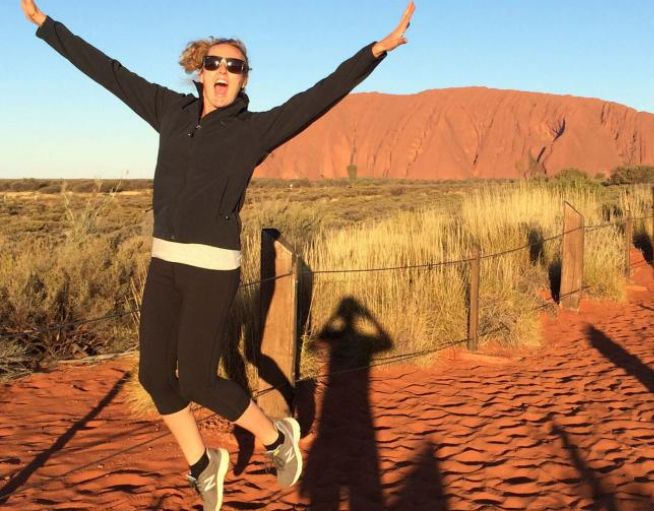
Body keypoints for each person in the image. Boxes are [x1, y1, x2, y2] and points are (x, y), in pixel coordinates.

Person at [19, 1, 415, 510]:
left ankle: (277, 438)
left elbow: (321, 96)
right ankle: (204, 463)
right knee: (156, 377)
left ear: (245, 79)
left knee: (201, 379)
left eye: (234, 65)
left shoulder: (256, 130)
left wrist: (376, 51)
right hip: (165, 262)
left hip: (212, 268)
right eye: (215, 63)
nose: (223, 71)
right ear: (199, 71)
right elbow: (109, 73)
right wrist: (46, 26)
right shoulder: (169, 110)